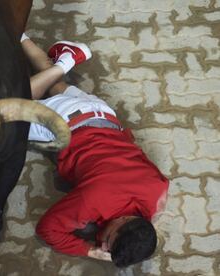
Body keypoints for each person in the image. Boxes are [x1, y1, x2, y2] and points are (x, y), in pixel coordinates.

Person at [21, 34, 169, 267]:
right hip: (65, 122)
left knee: (52, 83)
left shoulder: (158, 189)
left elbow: (156, 187)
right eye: (109, 241)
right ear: (121, 221)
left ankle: (24, 37)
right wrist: (89, 251)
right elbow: (48, 230)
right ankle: (64, 64)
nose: (104, 247)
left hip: (102, 113)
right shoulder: (94, 201)